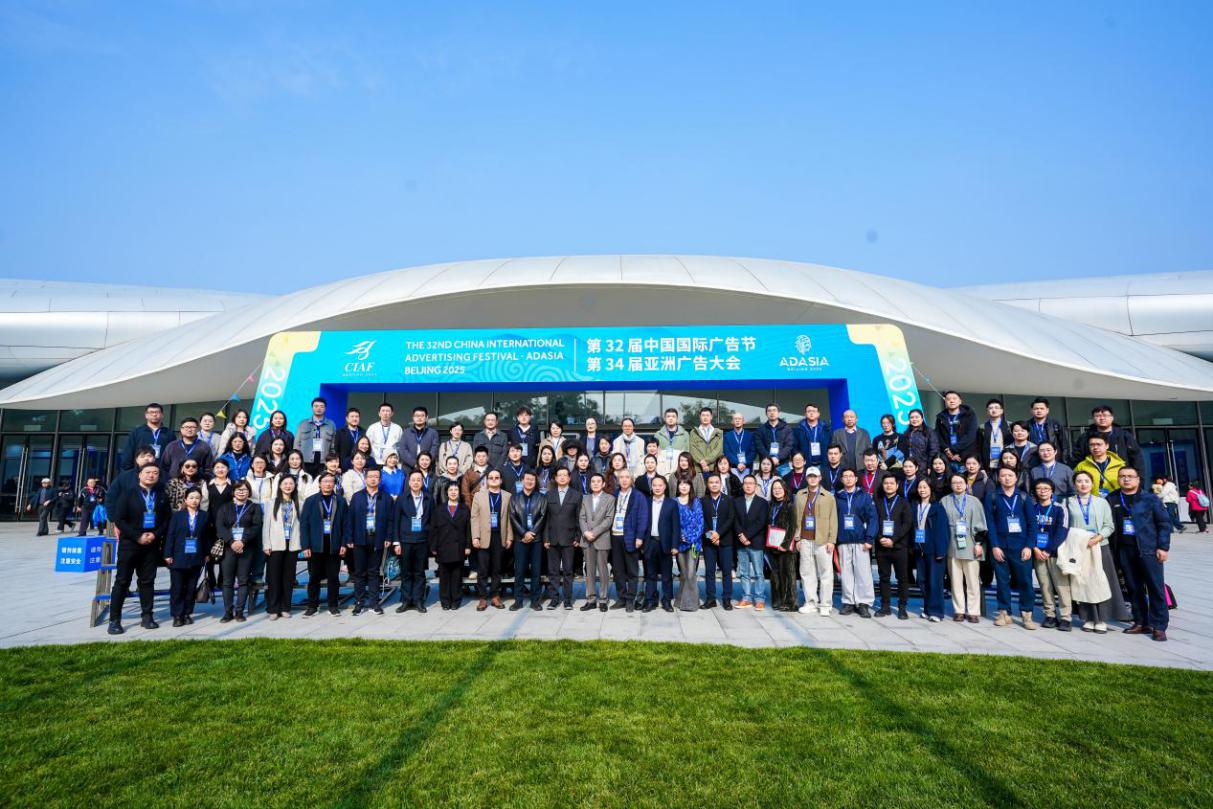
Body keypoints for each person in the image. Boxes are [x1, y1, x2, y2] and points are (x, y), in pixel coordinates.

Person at [107, 463, 172, 634]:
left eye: (155, 473)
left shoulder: (161, 495)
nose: (151, 475)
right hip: (130, 544)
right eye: (148, 472)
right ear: (140, 475)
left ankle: (147, 616)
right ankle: (114, 620)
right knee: (122, 581)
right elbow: (119, 519)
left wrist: (155, 535)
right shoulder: (128, 493)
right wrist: (137, 536)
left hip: (151, 544)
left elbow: (166, 519)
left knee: (147, 581)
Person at [1109, 467, 1172, 641]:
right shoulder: (1112, 498)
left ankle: (1159, 626)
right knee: (1133, 587)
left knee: (1155, 588)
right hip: (1124, 550)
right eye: (1122, 476)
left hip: (1148, 549)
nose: (1126, 479)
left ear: (1138, 479)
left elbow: (1164, 524)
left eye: (1130, 476)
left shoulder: (1150, 499)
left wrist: (1163, 547)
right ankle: (1141, 621)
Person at [985, 466, 1038, 629]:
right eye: (1003, 475)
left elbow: (1032, 523)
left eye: (1010, 475)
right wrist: (994, 546)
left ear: (1016, 478)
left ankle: (1026, 614)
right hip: (1000, 547)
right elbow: (990, 523)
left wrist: (1029, 546)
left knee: (1025, 581)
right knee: (1002, 581)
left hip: (1021, 546)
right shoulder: (992, 497)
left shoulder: (1024, 497)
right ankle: (1004, 612)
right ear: (998, 478)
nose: (1007, 478)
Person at [1066, 470, 1118, 633]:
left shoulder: (1102, 502)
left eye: (1086, 481)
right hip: (1079, 547)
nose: (1083, 484)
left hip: (1100, 546)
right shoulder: (1068, 502)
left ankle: (1101, 618)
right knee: (1082, 582)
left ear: (1092, 483)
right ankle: (1088, 618)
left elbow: (1109, 525)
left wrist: (1098, 537)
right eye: (1079, 481)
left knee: (1099, 581)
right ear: (1074, 484)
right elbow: (1066, 525)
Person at [297, 471, 346, 617]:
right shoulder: (311, 501)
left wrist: (344, 544)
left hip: (334, 545)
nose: (328, 484)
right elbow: (304, 525)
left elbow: (346, 524)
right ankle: (312, 606)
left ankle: (333, 605)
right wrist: (305, 546)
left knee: (333, 577)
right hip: (315, 545)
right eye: (325, 481)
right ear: (319, 483)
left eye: (331, 481)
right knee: (314, 577)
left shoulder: (340, 501)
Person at [942, 472, 987, 623]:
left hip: (971, 544)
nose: (958, 485)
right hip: (952, 546)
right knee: (955, 580)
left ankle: (973, 611)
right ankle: (959, 610)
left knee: (972, 581)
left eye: (960, 482)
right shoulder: (945, 501)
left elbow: (981, 524)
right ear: (951, 485)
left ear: (966, 484)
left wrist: (979, 544)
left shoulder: (974, 501)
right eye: (954, 483)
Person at [214, 480, 262, 622]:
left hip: (247, 548)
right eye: (238, 489)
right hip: (228, 548)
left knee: (243, 580)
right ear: (233, 492)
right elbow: (220, 527)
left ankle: (239, 611)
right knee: (227, 581)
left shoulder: (254, 507)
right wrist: (232, 541)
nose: (241, 492)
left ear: (249, 492)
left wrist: (242, 541)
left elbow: (256, 526)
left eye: (244, 489)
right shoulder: (225, 507)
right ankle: (228, 612)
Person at [793, 468, 837, 615]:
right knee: (807, 573)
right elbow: (797, 518)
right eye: (810, 476)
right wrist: (797, 538)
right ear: (806, 478)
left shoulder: (828, 496)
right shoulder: (800, 495)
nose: (812, 479)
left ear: (820, 478)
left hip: (822, 540)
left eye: (815, 476)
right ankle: (810, 602)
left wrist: (832, 540)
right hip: (805, 539)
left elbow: (833, 520)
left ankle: (825, 604)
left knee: (826, 574)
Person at [835, 468, 878, 618]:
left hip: (861, 541)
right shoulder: (837, 497)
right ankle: (849, 602)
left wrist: (869, 538)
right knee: (846, 573)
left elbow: (873, 518)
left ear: (856, 479)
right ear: (841, 479)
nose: (848, 479)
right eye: (845, 476)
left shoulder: (864, 496)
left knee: (863, 573)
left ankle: (863, 603)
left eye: (851, 476)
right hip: (843, 540)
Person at [163, 488, 208, 627]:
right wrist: (168, 554)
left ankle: (187, 613)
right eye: (191, 498)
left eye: (197, 498)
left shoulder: (204, 516)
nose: (194, 500)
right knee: (177, 588)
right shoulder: (177, 516)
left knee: (191, 587)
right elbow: (170, 535)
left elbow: (207, 536)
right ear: (186, 499)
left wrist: (207, 553)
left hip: (196, 555)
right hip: (178, 556)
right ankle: (177, 615)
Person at [470, 469, 511, 610]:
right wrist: (475, 536)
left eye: (497, 477)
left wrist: (509, 537)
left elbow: (509, 519)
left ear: (501, 480)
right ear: (487, 481)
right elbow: (474, 518)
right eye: (491, 477)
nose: (494, 479)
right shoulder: (478, 496)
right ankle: (482, 598)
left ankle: (495, 596)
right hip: (483, 537)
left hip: (500, 536)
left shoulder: (507, 496)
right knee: (482, 570)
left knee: (497, 569)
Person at [873, 473, 912, 618]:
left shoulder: (903, 503)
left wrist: (893, 540)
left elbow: (907, 524)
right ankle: (885, 606)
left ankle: (902, 607)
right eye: (886, 483)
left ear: (897, 485)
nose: (888, 485)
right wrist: (880, 538)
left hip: (899, 547)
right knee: (884, 577)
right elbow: (874, 522)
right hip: (882, 546)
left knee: (902, 578)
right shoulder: (878, 502)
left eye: (891, 483)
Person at [610, 469, 649, 612]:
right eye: (621, 477)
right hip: (615, 536)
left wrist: (639, 537)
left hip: (631, 537)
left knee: (632, 570)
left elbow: (643, 518)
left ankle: (630, 599)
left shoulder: (638, 496)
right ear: (618, 480)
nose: (624, 480)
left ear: (631, 479)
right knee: (618, 570)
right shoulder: (614, 495)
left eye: (627, 477)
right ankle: (621, 598)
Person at [262, 475, 301, 619]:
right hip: (275, 545)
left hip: (292, 544)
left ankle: (285, 607)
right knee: (274, 578)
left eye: (291, 483)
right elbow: (266, 526)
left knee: (288, 578)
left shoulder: (299, 503)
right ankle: (273, 608)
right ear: (279, 486)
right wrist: (266, 544)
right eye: (285, 483)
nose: (288, 486)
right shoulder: (271, 503)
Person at [392, 471, 432, 613]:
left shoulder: (428, 498)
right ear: (409, 482)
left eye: (418, 480)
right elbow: (396, 521)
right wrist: (396, 542)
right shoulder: (402, 498)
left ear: (422, 482)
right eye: (413, 480)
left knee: (420, 572)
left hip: (422, 540)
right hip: (405, 540)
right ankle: (406, 601)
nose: (416, 482)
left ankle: (418, 600)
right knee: (406, 572)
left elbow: (432, 520)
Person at [543, 466, 582, 610]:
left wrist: (578, 537)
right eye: (559, 475)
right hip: (552, 539)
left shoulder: (576, 495)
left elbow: (579, 518)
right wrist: (545, 538)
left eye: (565, 475)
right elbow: (545, 518)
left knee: (568, 571)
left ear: (569, 478)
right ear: (555, 478)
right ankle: (554, 599)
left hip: (569, 538)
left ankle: (567, 600)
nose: (562, 477)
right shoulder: (549, 495)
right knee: (553, 571)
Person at [508, 471, 547, 611]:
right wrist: (524, 533)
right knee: (519, 571)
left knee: (536, 571)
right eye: (527, 479)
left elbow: (542, 516)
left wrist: (532, 533)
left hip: (536, 540)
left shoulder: (541, 497)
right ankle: (518, 601)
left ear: (535, 482)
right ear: (522, 481)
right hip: (520, 540)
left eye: (532, 480)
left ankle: (535, 601)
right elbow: (512, 517)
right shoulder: (514, 497)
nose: (530, 482)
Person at [913, 478, 949, 622]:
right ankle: (927, 609)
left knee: (935, 582)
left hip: (934, 550)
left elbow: (942, 530)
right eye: (920, 487)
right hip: (920, 548)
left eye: (925, 487)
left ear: (931, 489)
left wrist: (941, 551)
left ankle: (936, 612)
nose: (922, 490)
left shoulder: (937, 507)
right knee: (922, 581)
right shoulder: (915, 506)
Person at [431, 482, 471, 610]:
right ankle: (445, 601)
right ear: (447, 493)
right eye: (451, 490)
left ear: (459, 493)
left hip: (459, 546)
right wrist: (433, 547)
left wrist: (468, 546)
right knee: (444, 576)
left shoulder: (464, 509)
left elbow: (468, 530)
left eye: (456, 490)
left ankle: (456, 600)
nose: (453, 492)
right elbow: (434, 529)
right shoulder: (439, 509)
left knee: (457, 576)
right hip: (443, 546)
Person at [700, 472, 736, 611]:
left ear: (720, 484)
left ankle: (727, 598)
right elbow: (701, 520)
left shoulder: (729, 499)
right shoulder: (703, 500)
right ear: (707, 485)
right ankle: (711, 598)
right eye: (711, 482)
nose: (714, 484)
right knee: (710, 571)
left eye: (716, 482)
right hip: (709, 542)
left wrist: (718, 534)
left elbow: (731, 519)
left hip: (725, 540)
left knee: (726, 570)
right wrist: (711, 535)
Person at [735, 474, 770, 609]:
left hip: (756, 542)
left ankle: (760, 598)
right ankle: (746, 597)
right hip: (740, 542)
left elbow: (761, 522)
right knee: (744, 572)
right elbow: (735, 520)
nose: (748, 486)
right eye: (746, 483)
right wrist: (741, 535)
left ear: (756, 486)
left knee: (758, 572)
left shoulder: (762, 503)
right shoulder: (737, 501)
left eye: (751, 483)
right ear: (743, 486)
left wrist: (746, 536)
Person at [643, 474, 678, 612]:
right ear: (651, 487)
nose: (657, 488)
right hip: (650, 542)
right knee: (650, 574)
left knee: (666, 575)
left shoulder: (672, 503)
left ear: (665, 487)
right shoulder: (646, 502)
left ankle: (666, 600)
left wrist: (675, 545)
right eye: (655, 485)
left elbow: (676, 526)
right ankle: (650, 600)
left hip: (666, 544)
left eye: (660, 485)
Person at [1077, 404, 1144, 473]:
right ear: (1093, 419)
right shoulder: (1085, 437)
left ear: (1112, 418)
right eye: (1097, 416)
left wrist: (1139, 477)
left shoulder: (1124, 435)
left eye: (1105, 415)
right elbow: (1077, 457)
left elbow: (1136, 457)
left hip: (1121, 475)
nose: (1102, 418)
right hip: (1092, 475)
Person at [765, 479, 798, 611]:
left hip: (785, 546)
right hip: (772, 544)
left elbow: (792, 527)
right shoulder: (771, 505)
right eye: (774, 489)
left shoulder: (790, 506)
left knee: (788, 574)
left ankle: (790, 603)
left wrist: (785, 544)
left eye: (779, 488)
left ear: (785, 490)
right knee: (775, 575)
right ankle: (777, 600)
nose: (777, 491)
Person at [674, 478, 704, 611]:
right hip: (679, 543)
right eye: (681, 484)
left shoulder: (696, 502)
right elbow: (672, 522)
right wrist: (679, 536)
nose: (684, 486)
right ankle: (680, 600)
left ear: (690, 487)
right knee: (684, 573)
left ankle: (690, 604)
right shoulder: (674, 502)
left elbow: (700, 523)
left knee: (691, 573)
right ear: (678, 487)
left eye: (686, 484)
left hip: (693, 543)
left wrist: (690, 537)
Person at [121, 402, 175, 470]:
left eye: (157, 412)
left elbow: (172, 455)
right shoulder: (137, 432)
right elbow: (128, 453)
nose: (154, 414)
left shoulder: (169, 434)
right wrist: (127, 471)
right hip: (139, 471)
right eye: (151, 412)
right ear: (146, 415)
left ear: (162, 415)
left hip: (161, 471)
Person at [934, 391, 978, 473]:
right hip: (947, 457)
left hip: (965, 456)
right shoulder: (940, 417)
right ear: (945, 402)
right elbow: (938, 436)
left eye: (954, 398)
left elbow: (970, 436)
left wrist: (953, 449)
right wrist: (947, 450)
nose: (951, 401)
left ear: (960, 401)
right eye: (948, 399)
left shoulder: (970, 415)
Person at [296, 397, 337, 475]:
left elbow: (333, 446)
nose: (319, 408)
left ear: (325, 408)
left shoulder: (331, 424)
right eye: (316, 406)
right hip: (305, 461)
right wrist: (297, 460)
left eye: (321, 406)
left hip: (323, 462)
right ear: (312, 408)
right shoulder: (303, 424)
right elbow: (297, 444)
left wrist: (332, 461)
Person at [1027, 397, 1071, 462]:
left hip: (1053, 459)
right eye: (1036, 409)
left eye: (1042, 408)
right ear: (1031, 411)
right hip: (1033, 459)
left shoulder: (1055, 424)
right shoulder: (1027, 425)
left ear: (1047, 410)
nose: (1039, 411)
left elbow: (1064, 445)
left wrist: (1064, 461)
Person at [757, 403, 794, 475]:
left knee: (785, 482)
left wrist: (778, 457)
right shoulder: (761, 429)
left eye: (774, 410)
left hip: (783, 465)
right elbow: (760, 447)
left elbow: (789, 446)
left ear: (778, 413)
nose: (772, 413)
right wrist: (770, 459)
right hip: (766, 465)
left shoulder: (786, 428)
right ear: (766, 414)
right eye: (769, 411)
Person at [978, 398, 1013, 473]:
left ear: (1002, 411)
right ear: (987, 412)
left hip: (1006, 462)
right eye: (990, 408)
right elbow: (979, 448)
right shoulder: (982, 427)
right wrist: (981, 467)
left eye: (996, 407)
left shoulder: (1010, 426)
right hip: (988, 463)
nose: (993, 410)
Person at [794, 403, 830, 469]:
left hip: (823, 464)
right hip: (805, 465)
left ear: (818, 414)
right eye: (809, 411)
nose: (811, 413)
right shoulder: (798, 429)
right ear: (805, 414)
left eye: (814, 411)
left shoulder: (826, 428)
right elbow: (795, 447)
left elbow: (831, 446)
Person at [689, 407, 723, 477]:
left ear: (711, 417)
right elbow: (693, 450)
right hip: (698, 469)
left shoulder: (718, 433)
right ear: (700, 417)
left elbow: (718, 450)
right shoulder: (693, 432)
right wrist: (702, 463)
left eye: (707, 415)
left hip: (714, 468)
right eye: (703, 415)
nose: (705, 417)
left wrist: (706, 461)